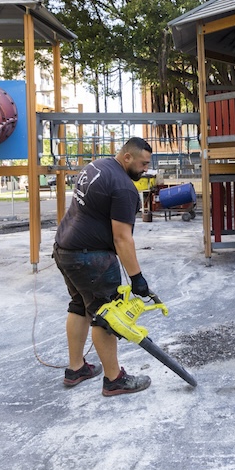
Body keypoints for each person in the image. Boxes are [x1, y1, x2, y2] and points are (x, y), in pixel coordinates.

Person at [53, 137, 155, 396]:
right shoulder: (124, 188)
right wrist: (137, 278)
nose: (146, 169)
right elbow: (122, 238)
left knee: (79, 305)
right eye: (143, 164)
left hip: (65, 249)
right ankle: (114, 379)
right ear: (127, 157)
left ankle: (76, 368)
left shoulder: (96, 166)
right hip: (90, 259)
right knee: (106, 316)